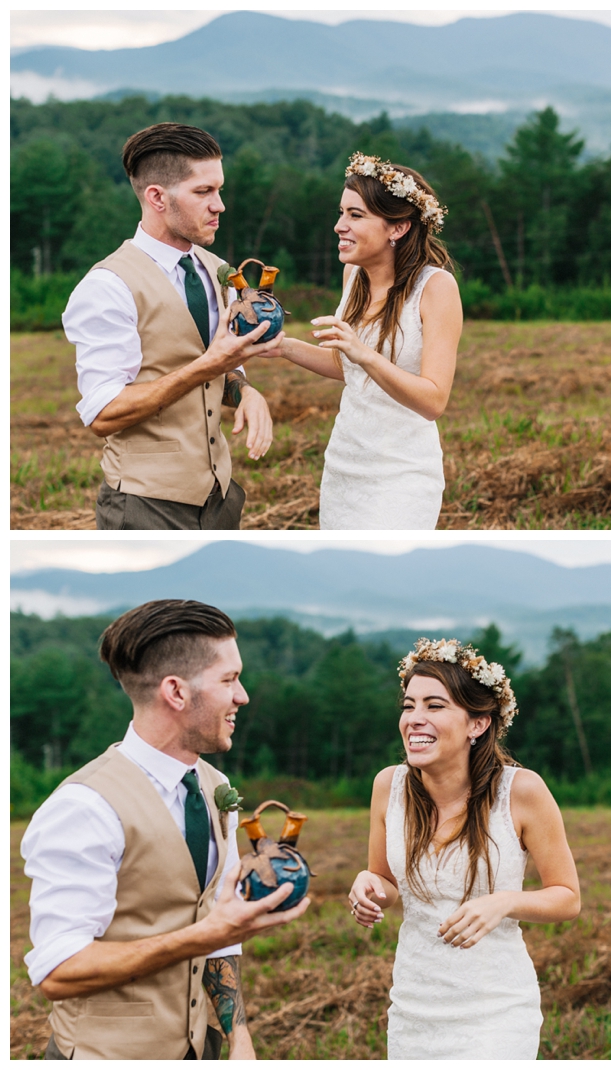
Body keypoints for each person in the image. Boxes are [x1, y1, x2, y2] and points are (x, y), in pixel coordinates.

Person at [20, 600, 309, 1060]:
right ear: (175, 692)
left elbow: (219, 921)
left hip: (200, 1050)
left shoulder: (217, 787)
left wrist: (239, 1037)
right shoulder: (85, 807)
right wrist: (205, 935)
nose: (243, 697)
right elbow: (59, 970)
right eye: (229, 680)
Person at [347, 637, 581, 1060]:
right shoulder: (389, 786)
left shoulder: (522, 791)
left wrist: (504, 903)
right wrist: (369, 886)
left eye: (435, 706)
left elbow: (567, 898)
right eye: (408, 706)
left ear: (478, 723)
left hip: (496, 1012)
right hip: (413, 1007)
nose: (415, 719)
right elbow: (385, 880)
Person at [62, 123, 285, 530]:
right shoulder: (107, 287)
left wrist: (247, 390)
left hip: (220, 501)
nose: (219, 205)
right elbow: (103, 413)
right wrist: (206, 366)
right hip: (143, 506)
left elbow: (224, 363)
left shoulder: (219, 271)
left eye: (219, 190)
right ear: (157, 197)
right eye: (203, 192)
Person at [268, 152, 462, 529]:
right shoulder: (353, 276)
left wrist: (364, 353)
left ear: (398, 228)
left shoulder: (436, 288)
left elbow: (433, 401)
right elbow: (348, 369)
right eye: (341, 213)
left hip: (402, 474)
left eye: (356, 216)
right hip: (344, 463)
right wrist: (280, 346)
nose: (340, 226)